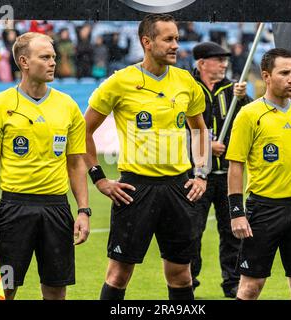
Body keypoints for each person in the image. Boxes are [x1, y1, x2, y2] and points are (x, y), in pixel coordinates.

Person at [84, 13, 209, 300]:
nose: (176, 45)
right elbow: (83, 131)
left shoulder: (186, 81)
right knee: (118, 273)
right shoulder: (120, 82)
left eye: (177, 38)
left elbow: (200, 130)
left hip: (179, 188)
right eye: (168, 39)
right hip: (135, 189)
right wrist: (100, 179)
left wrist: (200, 173)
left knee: (181, 274)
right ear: (147, 42)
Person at [0, 32, 90, 300]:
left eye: (53, 56)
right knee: (5, 288)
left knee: (55, 290)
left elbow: (75, 163)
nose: (53, 62)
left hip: (57, 209)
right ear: (24, 62)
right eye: (45, 57)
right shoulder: (0, 105)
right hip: (14, 209)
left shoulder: (68, 106)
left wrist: (83, 210)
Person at [225, 48, 291, 300]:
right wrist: (237, 213)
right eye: (284, 73)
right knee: (250, 288)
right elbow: (236, 165)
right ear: (267, 76)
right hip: (263, 210)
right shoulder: (249, 115)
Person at [189, 41, 252, 298]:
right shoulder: (187, 88)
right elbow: (178, 129)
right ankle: (188, 280)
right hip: (196, 176)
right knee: (192, 232)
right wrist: (205, 146)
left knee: (232, 232)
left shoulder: (232, 90)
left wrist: (244, 99)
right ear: (202, 63)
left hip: (228, 175)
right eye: (218, 59)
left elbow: (249, 119)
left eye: (225, 59)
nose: (224, 63)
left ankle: (232, 283)